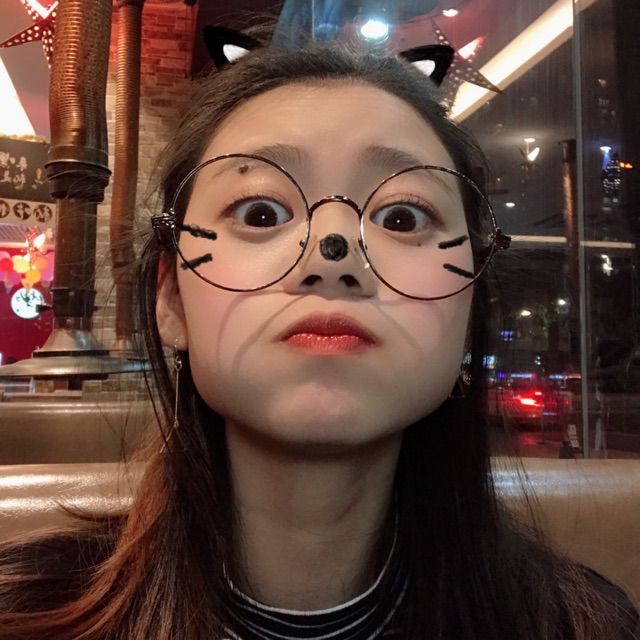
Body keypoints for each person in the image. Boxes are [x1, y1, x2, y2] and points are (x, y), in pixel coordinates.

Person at [0, 44, 638, 640]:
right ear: (171, 301)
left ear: (470, 306)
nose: (333, 258)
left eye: (402, 217)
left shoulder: (580, 625)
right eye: (260, 212)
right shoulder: (24, 608)